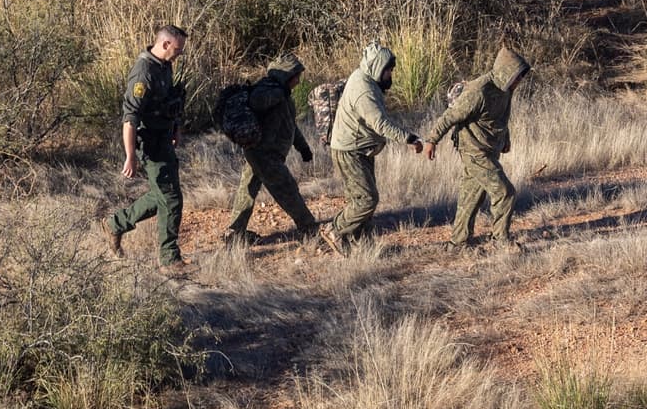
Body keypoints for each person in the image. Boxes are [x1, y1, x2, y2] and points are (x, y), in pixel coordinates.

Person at [101, 25, 192, 275]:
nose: (179, 54)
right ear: (165, 44)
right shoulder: (143, 72)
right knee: (171, 198)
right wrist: (131, 156)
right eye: (177, 49)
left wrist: (175, 128)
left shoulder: (164, 65)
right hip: (149, 144)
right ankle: (169, 259)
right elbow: (130, 118)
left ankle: (115, 224)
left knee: (161, 195)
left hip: (163, 138)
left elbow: (168, 102)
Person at [423, 46, 531, 253]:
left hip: (489, 148)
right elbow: (450, 117)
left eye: (519, 77)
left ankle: (457, 243)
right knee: (504, 192)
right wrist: (432, 140)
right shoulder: (478, 91)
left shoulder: (506, 89)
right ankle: (500, 240)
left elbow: (501, 117)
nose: (518, 82)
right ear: (505, 72)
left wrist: (505, 138)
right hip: (473, 150)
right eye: (516, 76)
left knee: (471, 195)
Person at [319, 42, 423, 256]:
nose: (390, 75)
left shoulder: (366, 78)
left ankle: (362, 246)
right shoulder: (364, 90)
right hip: (351, 151)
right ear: (377, 67)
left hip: (360, 149)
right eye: (388, 70)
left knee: (361, 199)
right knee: (367, 199)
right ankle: (334, 229)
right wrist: (410, 139)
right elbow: (381, 124)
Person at [223, 53, 318, 246]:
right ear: (287, 76)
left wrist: (303, 147)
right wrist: (279, 93)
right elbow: (257, 102)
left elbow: (290, 124)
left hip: (259, 152)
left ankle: (235, 232)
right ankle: (309, 229)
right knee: (287, 189)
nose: (298, 81)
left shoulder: (281, 93)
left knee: (247, 191)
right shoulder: (270, 91)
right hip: (265, 155)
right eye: (296, 76)